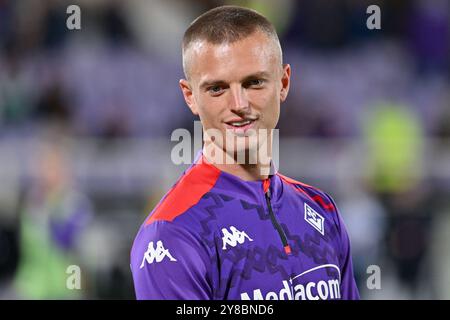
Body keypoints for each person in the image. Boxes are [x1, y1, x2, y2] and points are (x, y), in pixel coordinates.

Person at [130, 5, 359, 300]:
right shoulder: (172, 234)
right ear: (190, 97)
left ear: (283, 83)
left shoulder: (321, 210)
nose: (238, 103)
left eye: (253, 83)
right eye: (217, 88)